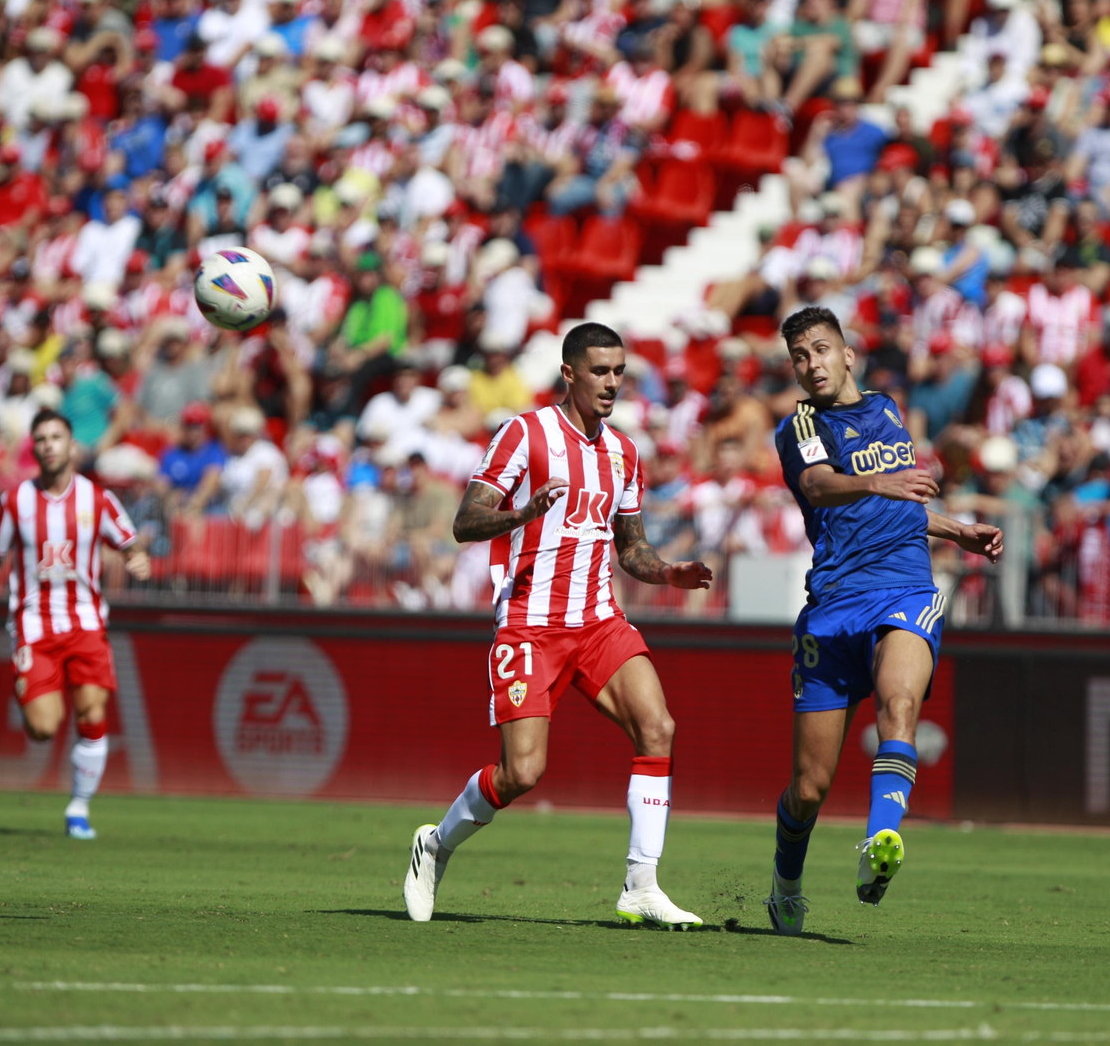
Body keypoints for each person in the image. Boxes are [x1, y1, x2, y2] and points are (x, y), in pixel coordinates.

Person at [402, 323, 714, 928]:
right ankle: (434, 845)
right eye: (600, 371)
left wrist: (667, 572)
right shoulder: (525, 433)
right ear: (570, 373)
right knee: (523, 772)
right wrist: (523, 512)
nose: (612, 383)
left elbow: (631, 548)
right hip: (528, 625)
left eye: (620, 371)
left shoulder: (624, 452)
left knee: (659, 726)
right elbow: (466, 522)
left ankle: (641, 884)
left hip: (598, 621)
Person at [766, 306, 1002, 935]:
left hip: (903, 587)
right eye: (799, 356)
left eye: (820, 350)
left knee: (900, 705)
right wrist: (879, 480)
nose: (811, 364)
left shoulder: (889, 407)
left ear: (848, 354)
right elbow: (817, 485)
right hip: (834, 604)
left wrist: (957, 531)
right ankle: (785, 884)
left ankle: (880, 842)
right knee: (809, 789)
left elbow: (902, 505)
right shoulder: (800, 425)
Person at [0, 408, 151, 839]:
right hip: (34, 625)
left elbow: (130, 542)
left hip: (86, 623)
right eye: (42, 439)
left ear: (72, 446)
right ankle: (37, 691)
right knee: (43, 728)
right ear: (35, 448)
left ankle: (78, 808)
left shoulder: (98, 499)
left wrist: (137, 557)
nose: (49, 445)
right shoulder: (16, 501)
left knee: (92, 712)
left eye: (56, 437)